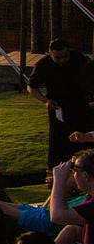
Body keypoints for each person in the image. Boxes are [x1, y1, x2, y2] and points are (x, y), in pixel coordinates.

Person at [28, 38, 93, 172]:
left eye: (65, 56)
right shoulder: (43, 65)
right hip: (59, 108)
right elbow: (32, 87)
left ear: (69, 51)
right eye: (57, 58)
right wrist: (45, 100)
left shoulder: (79, 58)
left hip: (81, 105)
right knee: (59, 142)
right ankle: (57, 172)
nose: (62, 60)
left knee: (84, 138)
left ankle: (86, 168)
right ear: (50, 54)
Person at [46, 148, 94, 244]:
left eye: (75, 171)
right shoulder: (91, 196)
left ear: (85, 176)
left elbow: (57, 216)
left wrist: (59, 180)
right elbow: (75, 229)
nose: (73, 175)